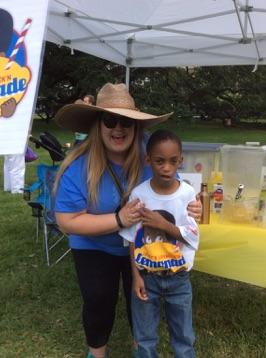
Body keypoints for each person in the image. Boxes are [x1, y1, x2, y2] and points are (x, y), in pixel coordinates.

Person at [53, 83, 201, 358]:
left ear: (137, 128)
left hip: (142, 245)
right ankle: (96, 352)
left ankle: (140, 348)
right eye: (110, 120)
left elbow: (175, 190)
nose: (118, 128)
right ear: (98, 125)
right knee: (98, 300)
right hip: (94, 245)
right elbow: (66, 221)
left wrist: (193, 205)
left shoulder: (150, 154)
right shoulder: (79, 166)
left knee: (142, 300)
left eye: (126, 122)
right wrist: (119, 219)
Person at [119, 129, 199, 357]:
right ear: (148, 160)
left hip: (179, 278)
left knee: (184, 337)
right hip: (147, 277)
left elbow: (191, 236)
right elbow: (133, 240)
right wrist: (136, 277)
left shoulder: (187, 194)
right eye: (159, 161)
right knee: (144, 337)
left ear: (181, 161)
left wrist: (162, 224)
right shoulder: (139, 195)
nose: (166, 168)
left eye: (173, 161)